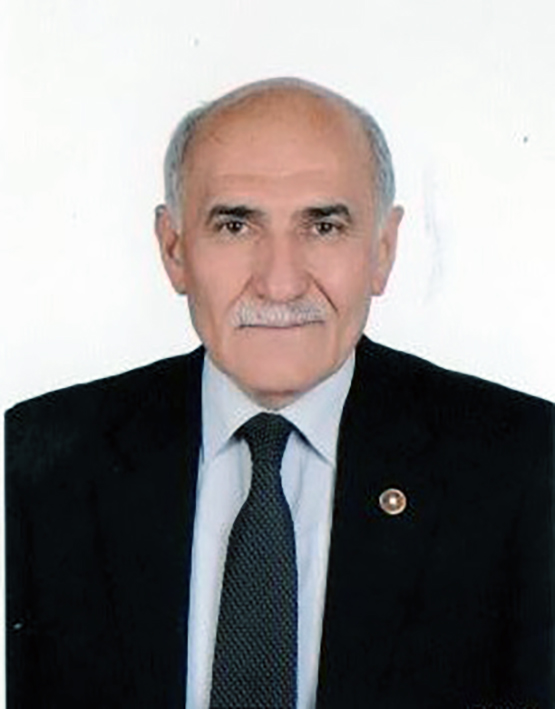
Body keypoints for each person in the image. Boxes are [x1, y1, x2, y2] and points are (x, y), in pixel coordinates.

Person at [5, 77, 554, 709]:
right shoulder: (35, 463)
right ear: (173, 248)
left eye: (323, 226)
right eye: (236, 225)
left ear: (383, 250)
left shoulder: (526, 465)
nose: (280, 283)